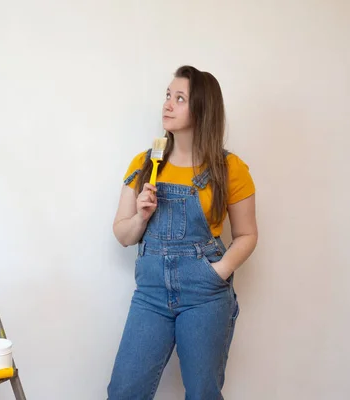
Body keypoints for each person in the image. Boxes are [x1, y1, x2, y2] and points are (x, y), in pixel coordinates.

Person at [107, 65, 258, 400]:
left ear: (202, 109)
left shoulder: (229, 169)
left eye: (180, 98)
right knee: (124, 392)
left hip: (204, 295)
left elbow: (247, 235)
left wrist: (216, 273)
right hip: (151, 296)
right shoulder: (144, 164)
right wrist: (141, 217)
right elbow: (123, 234)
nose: (168, 105)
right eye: (167, 96)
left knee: (203, 393)